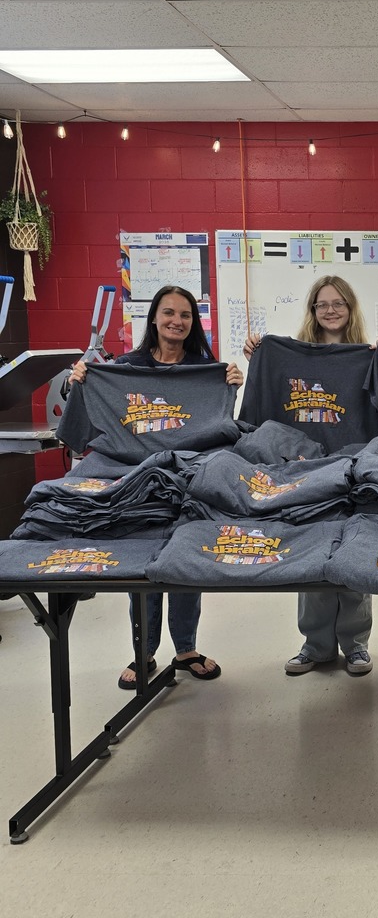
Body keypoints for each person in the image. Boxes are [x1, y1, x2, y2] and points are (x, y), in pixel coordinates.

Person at [70, 285, 243, 689]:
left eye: (185, 315)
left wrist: (230, 383)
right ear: (153, 318)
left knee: (186, 561)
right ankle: (143, 652)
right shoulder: (126, 367)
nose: (176, 321)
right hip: (135, 481)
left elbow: (218, 426)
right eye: (168, 313)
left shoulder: (204, 369)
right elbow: (90, 417)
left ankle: (185, 649)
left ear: (193, 323)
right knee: (142, 563)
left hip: (188, 478)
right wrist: (81, 381)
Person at [244, 275, 374, 677]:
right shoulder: (290, 356)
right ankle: (316, 645)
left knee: (352, 552)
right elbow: (266, 392)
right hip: (301, 468)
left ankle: (355, 644)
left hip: (349, 465)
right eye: (322, 304)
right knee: (310, 551)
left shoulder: (368, 356)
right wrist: (259, 358)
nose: (330, 311)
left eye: (338, 303)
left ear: (350, 308)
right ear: (312, 311)